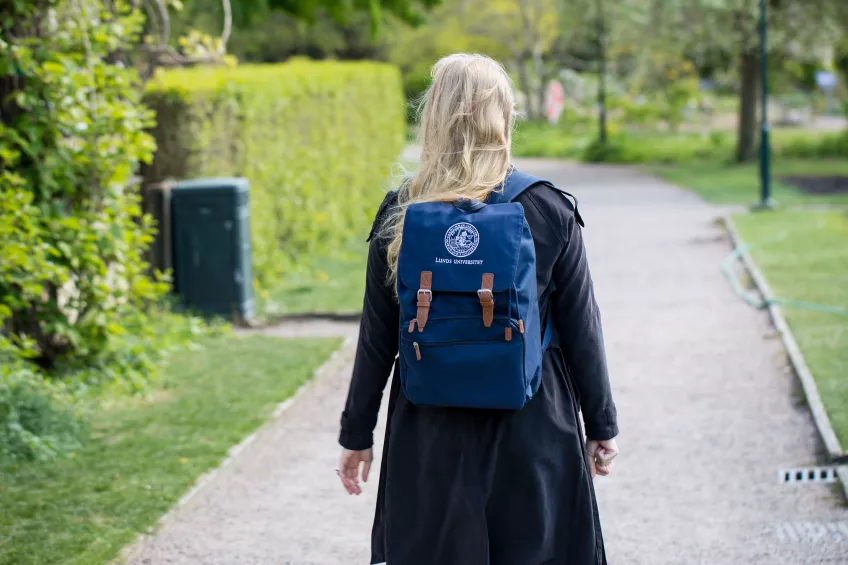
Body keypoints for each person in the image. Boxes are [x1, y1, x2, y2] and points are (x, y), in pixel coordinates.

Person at [337, 53, 619, 565]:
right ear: (506, 117)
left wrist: (357, 434)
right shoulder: (549, 208)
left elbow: (377, 336)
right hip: (532, 420)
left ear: (433, 119)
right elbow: (582, 328)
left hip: (430, 428)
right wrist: (601, 425)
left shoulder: (403, 212)